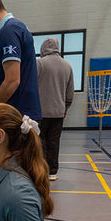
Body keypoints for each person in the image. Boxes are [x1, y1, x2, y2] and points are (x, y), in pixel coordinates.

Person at [36, 38, 74, 181]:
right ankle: (53, 171)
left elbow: (30, 87)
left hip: (40, 112)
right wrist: (65, 110)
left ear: (43, 49)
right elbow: (70, 93)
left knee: (39, 142)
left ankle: (41, 170)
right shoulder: (67, 66)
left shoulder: (39, 64)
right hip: (58, 113)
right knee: (54, 142)